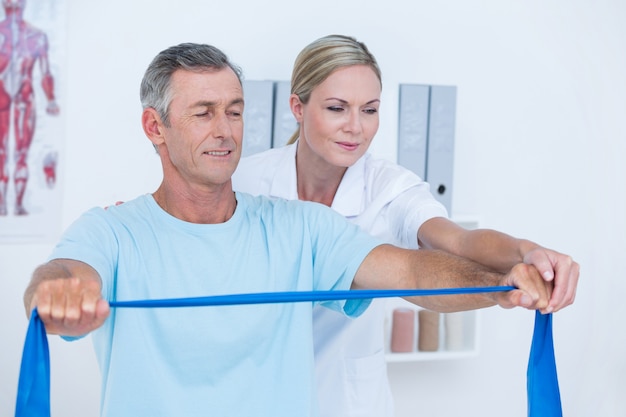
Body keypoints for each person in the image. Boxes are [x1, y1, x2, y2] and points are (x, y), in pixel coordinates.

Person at [24, 42, 559, 417]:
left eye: (234, 112)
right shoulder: (112, 230)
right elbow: (63, 274)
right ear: (153, 127)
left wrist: (502, 284)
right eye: (203, 113)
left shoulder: (302, 227)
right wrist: (57, 290)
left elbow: (412, 269)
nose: (225, 130)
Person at [232, 34, 579, 417]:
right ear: (298, 107)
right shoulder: (243, 181)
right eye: (336, 108)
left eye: (370, 110)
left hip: (348, 398)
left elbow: (457, 241)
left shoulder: (389, 187)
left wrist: (524, 252)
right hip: (258, 387)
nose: (356, 127)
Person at [0, 0, 60, 216]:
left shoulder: (37, 37)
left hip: (24, 97)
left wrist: (51, 99)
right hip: (4, 97)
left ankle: (16, 204)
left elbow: (45, 72)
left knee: (20, 153)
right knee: (3, 152)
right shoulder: (33, 36)